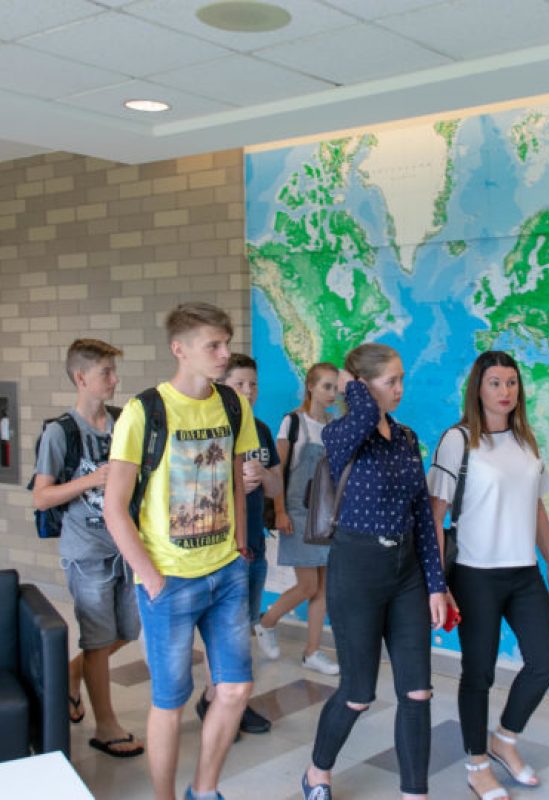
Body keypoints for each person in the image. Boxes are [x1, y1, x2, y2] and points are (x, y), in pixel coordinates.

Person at [104, 302, 259, 800]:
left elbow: (237, 477)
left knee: (235, 690)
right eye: (212, 345)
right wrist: (149, 576)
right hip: (169, 580)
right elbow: (115, 507)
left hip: (226, 572)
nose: (224, 354)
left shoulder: (234, 405)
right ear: (180, 349)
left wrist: (239, 546)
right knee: (170, 701)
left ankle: (204, 790)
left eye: (226, 344)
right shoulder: (144, 410)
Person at [302, 343, 447, 800]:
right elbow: (364, 414)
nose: (401, 389)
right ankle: (316, 773)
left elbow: (422, 512)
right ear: (361, 386)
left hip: (406, 573)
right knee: (357, 693)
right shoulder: (343, 433)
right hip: (358, 572)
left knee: (418, 692)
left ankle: (414, 793)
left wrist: (436, 585)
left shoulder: (406, 438)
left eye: (402, 378)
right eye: (391, 380)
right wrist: (351, 384)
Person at [428, 350, 549, 800]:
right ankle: (476, 763)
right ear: (478, 389)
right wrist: (438, 583)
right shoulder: (458, 440)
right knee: (478, 673)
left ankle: (504, 740)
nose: (505, 392)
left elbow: (536, 506)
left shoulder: (526, 440)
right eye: (495, 383)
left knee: (546, 662)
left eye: (511, 383)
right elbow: (436, 514)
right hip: (474, 574)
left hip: (523, 572)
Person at [32, 339, 144, 758]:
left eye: (114, 372)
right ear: (82, 378)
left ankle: (68, 677)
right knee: (98, 640)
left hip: (126, 546)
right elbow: (42, 497)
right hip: (87, 551)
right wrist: (91, 479)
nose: (115, 381)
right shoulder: (61, 432)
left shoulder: (121, 421)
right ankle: (107, 726)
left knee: (127, 632)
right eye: (106, 374)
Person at [192, 353, 283, 735]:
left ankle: (222, 699)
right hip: (219, 551)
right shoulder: (208, 428)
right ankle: (221, 699)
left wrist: (263, 476)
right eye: (239, 384)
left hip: (255, 548)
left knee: (243, 627)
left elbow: (278, 487)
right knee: (223, 631)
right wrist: (231, 486)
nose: (248, 392)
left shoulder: (260, 430)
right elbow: (193, 493)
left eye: (253, 384)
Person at [254, 362, 340, 676]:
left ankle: (312, 652)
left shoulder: (334, 425)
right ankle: (265, 622)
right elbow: (278, 470)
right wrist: (279, 511)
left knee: (323, 589)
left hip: (325, 515)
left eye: (335, 387)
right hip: (297, 513)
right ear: (311, 387)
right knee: (307, 586)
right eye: (326, 386)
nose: (332, 393)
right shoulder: (292, 422)